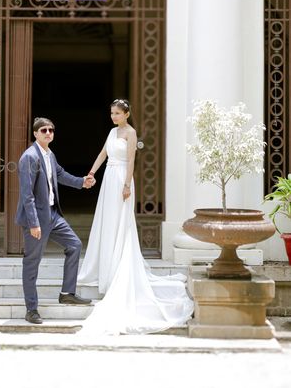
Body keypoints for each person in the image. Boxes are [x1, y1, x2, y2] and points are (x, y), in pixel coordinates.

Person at [78, 98, 194, 335]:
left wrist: (127, 184)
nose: (114, 117)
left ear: (126, 114)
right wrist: (91, 172)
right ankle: (104, 266)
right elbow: (103, 153)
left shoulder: (131, 133)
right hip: (109, 177)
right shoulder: (112, 132)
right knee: (107, 222)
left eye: (117, 113)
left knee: (121, 223)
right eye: (112, 113)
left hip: (122, 177)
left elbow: (131, 159)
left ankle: (117, 267)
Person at [15, 116, 95, 325]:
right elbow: (27, 195)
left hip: (52, 215)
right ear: (35, 133)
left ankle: (67, 293)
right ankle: (31, 309)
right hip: (37, 218)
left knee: (75, 245)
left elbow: (61, 174)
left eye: (51, 130)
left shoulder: (49, 155)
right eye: (44, 130)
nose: (48, 133)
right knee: (32, 263)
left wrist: (82, 182)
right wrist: (33, 223)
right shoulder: (29, 157)